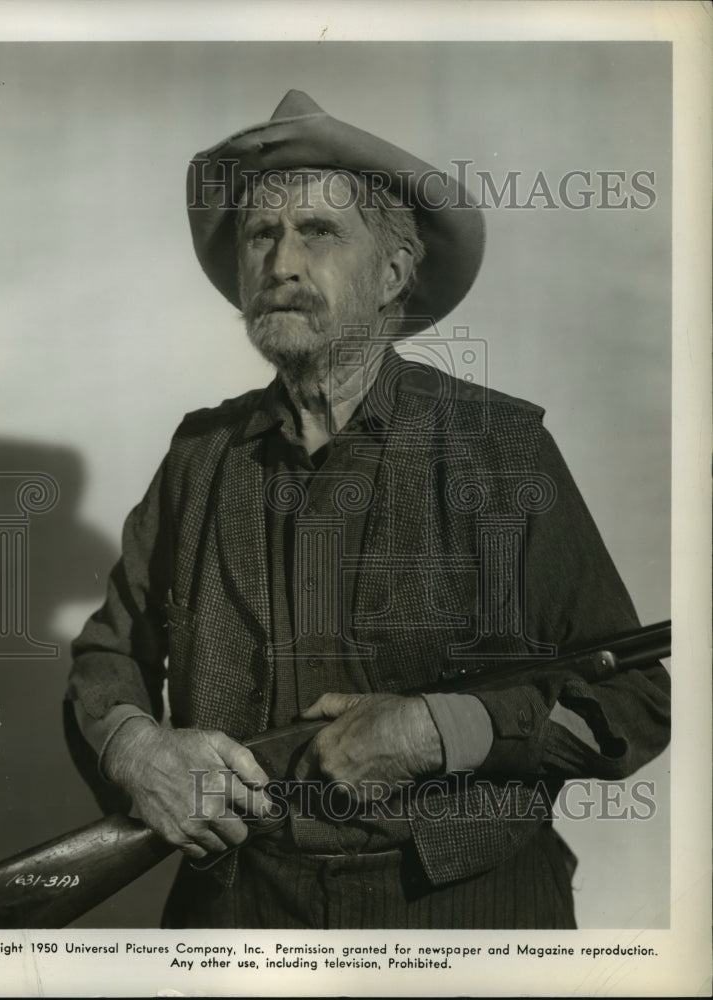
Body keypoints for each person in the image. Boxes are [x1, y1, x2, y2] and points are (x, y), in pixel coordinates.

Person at [65, 90, 670, 929]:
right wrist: (135, 746)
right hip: (240, 912)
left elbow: (635, 702)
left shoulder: (500, 447)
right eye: (260, 234)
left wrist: (440, 729)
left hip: (466, 911)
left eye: (318, 232)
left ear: (391, 273)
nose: (280, 263)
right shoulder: (198, 457)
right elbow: (107, 656)